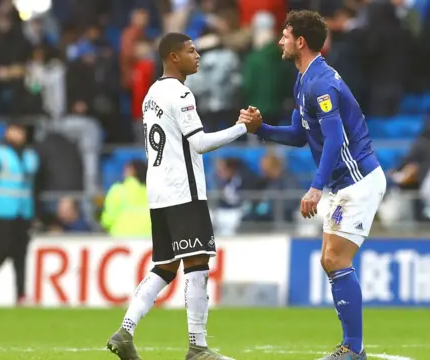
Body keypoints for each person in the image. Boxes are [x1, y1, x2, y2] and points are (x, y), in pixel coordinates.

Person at [238, 10, 386, 360]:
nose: (280, 41)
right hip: (342, 181)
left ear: (300, 41)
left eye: (285, 35)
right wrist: (260, 129)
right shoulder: (303, 79)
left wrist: (315, 187)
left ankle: (353, 348)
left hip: (357, 179)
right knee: (329, 259)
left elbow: (334, 141)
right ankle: (353, 347)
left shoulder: (322, 83)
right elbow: (300, 136)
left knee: (334, 258)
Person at [106, 32, 259, 360]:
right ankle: (197, 347)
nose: (197, 55)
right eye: (191, 51)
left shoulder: (152, 93)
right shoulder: (181, 93)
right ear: (173, 57)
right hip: (183, 191)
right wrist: (243, 128)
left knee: (164, 267)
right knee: (198, 264)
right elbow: (200, 143)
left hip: (158, 191)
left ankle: (125, 331)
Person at [0, 123, 40, 306]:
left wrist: (36, 212)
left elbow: (36, 187)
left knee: (21, 253)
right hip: (2, 210)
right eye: (16, 130)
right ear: (8, 132)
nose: (20, 134)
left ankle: (21, 295)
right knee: (4, 249)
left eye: (22, 131)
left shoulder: (31, 156)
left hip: (24, 210)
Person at [100, 160, 151, 236]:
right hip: (148, 238)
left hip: (121, 236)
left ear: (131, 171)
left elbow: (108, 218)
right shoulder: (152, 191)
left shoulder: (118, 190)